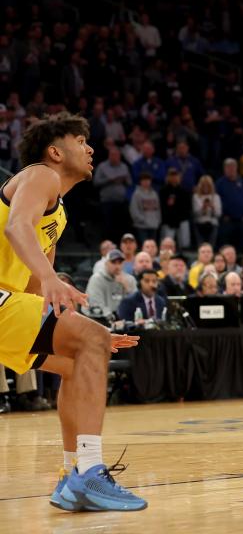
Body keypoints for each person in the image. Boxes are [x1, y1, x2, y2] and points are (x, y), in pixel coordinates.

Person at [0, 113, 144, 510]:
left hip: (6, 304)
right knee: (89, 343)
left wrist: (80, 333)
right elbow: (16, 227)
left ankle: (71, 473)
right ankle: (90, 473)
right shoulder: (40, 175)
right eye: (81, 140)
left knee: (75, 359)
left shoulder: (58, 212)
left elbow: (31, 290)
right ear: (54, 151)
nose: (91, 147)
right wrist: (51, 278)